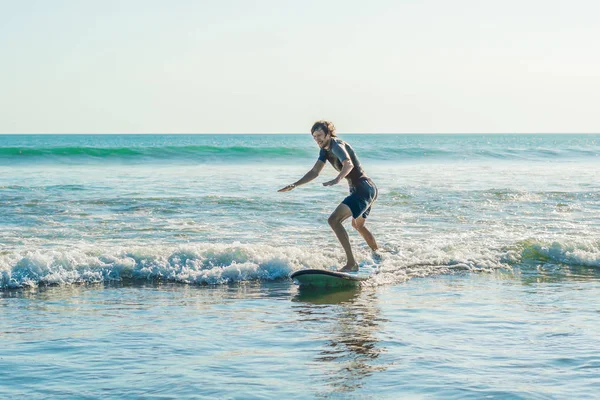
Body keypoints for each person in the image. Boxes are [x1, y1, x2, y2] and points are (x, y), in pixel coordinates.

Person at [278, 120, 379, 272]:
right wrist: (295, 185)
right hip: (367, 189)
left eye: (319, 135)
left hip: (362, 188)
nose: (317, 139)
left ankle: (352, 263)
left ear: (328, 133)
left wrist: (338, 178)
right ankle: (378, 256)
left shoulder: (336, 145)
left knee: (333, 220)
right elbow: (314, 172)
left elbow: (348, 164)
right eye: (314, 136)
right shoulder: (324, 150)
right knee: (358, 225)